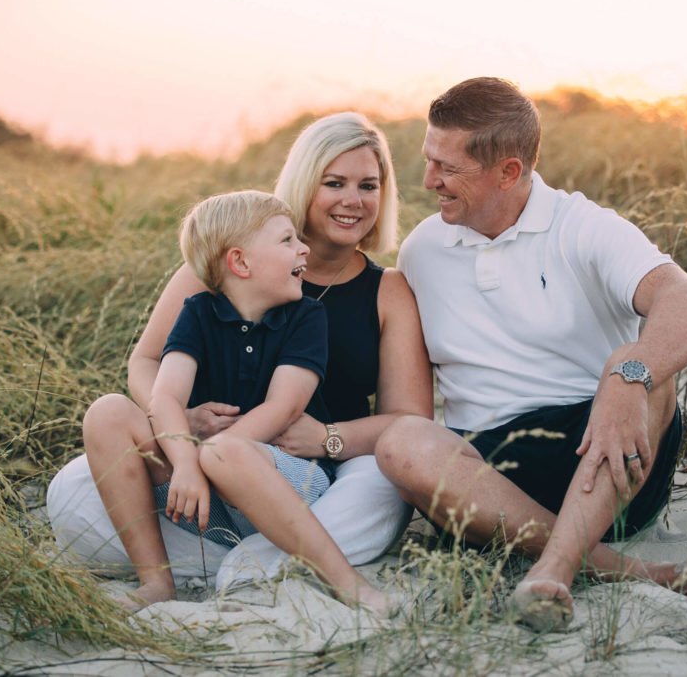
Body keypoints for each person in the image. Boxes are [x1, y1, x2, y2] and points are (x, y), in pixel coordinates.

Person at [46, 113, 432, 605]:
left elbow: (409, 422)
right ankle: (227, 563)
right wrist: (179, 427)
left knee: (380, 484)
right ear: (304, 184)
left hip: (310, 467)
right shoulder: (218, 269)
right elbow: (147, 365)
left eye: (369, 185)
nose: (353, 200)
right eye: (334, 183)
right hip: (195, 458)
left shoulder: (386, 290)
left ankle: (251, 558)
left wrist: (327, 438)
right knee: (77, 482)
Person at [374, 78, 687, 632]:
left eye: (447, 168)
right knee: (401, 442)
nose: (428, 181)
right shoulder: (422, 251)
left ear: (508, 172)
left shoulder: (582, 227)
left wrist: (630, 374)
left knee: (640, 367)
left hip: (605, 457)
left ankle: (555, 568)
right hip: (487, 484)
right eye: (428, 160)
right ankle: (624, 569)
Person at [114, 189, 395, 612]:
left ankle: (348, 582)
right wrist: (188, 464)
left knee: (227, 451)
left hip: (292, 481)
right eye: (287, 241)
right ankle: (156, 581)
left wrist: (209, 457)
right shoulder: (197, 312)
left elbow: (284, 406)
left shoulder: (306, 317)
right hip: (209, 495)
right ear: (240, 262)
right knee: (108, 412)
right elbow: (165, 395)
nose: (304, 249)